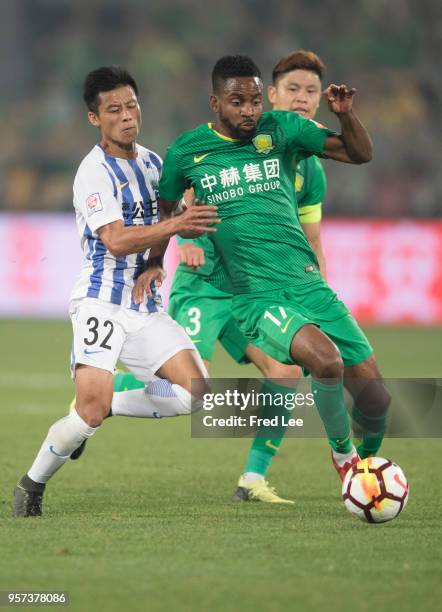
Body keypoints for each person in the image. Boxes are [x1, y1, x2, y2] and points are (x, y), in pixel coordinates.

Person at [156, 55, 390, 500]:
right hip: (220, 284)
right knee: (199, 382)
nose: (249, 110)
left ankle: (357, 470)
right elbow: (168, 209)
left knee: (375, 399)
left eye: (311, 92)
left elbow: (358, 157)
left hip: (305, 287)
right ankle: (344, 462)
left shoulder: (294, 145)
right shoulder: (190, 151)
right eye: (295, 90)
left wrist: (347, 116)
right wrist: (168, 246)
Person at [13, 66, 219, 517]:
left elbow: (167, 214)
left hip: (143, 306)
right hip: (100, 302)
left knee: (199, 394)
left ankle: (113, 406)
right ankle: (32, 483)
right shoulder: (92, 173)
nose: (127, 116)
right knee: (87, 411)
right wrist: (175, 225)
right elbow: (115, 238)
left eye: (131, 106)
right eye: (114, 110)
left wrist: (155, 259)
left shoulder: (152, 162)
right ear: (95, 118)